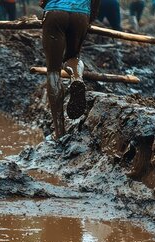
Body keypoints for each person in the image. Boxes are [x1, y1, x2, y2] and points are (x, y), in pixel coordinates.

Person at [40, 0, 99, 139]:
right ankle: (77, 78)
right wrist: (90, 18)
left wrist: (43, 4)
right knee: (73, 57)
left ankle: (59, 133)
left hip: (55, 12)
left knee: (53, 72)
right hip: (81, 14)